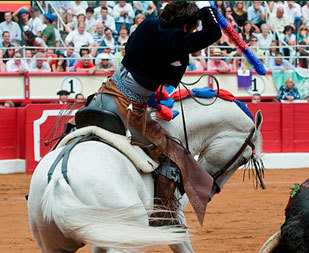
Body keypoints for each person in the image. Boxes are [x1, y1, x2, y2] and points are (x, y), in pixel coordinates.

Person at [86, 1, 221, 226]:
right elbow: (214, 32)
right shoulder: (176, 40)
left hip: (106, 93)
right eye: (193, 28)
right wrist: (205, 5)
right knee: (171, 153)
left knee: (77, 124)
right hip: (130, 108)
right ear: (186, 27)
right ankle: (162, 214)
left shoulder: (148, 23)